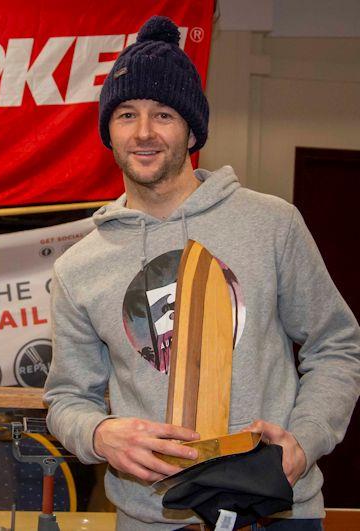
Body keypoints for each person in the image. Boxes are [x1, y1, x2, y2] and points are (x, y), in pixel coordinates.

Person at [44, 16, 360, 530]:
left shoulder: (271, 224)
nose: (143, 132)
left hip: (275, 510)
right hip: (151, 518)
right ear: (109, 131)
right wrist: (100, 434)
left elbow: (337, 346)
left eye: (163, 114)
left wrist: (303, 441)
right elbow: (66, 397)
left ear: (192, 129)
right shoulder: (80, 266)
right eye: (126, 114)